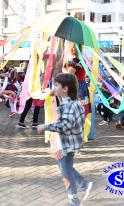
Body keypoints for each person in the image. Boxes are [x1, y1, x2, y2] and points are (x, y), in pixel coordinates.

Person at [37, 73, 92, 206]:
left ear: (65, 88)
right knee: (64, 167)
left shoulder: (67, 105)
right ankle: (83, 184)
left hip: (66, 143)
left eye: (56, 85)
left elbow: (65, 125)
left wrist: (46, 126)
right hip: (70, 142)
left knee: (65, 169)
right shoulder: (75, 102)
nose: (54, 88)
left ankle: (74, 199)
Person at [64, 43, 91, 115]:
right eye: (71, 47)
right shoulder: (82, 59)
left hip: (76, 86)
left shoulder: (75, 61)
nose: (72, 49)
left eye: (74, 47)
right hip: (82, 86)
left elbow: (68, 76)